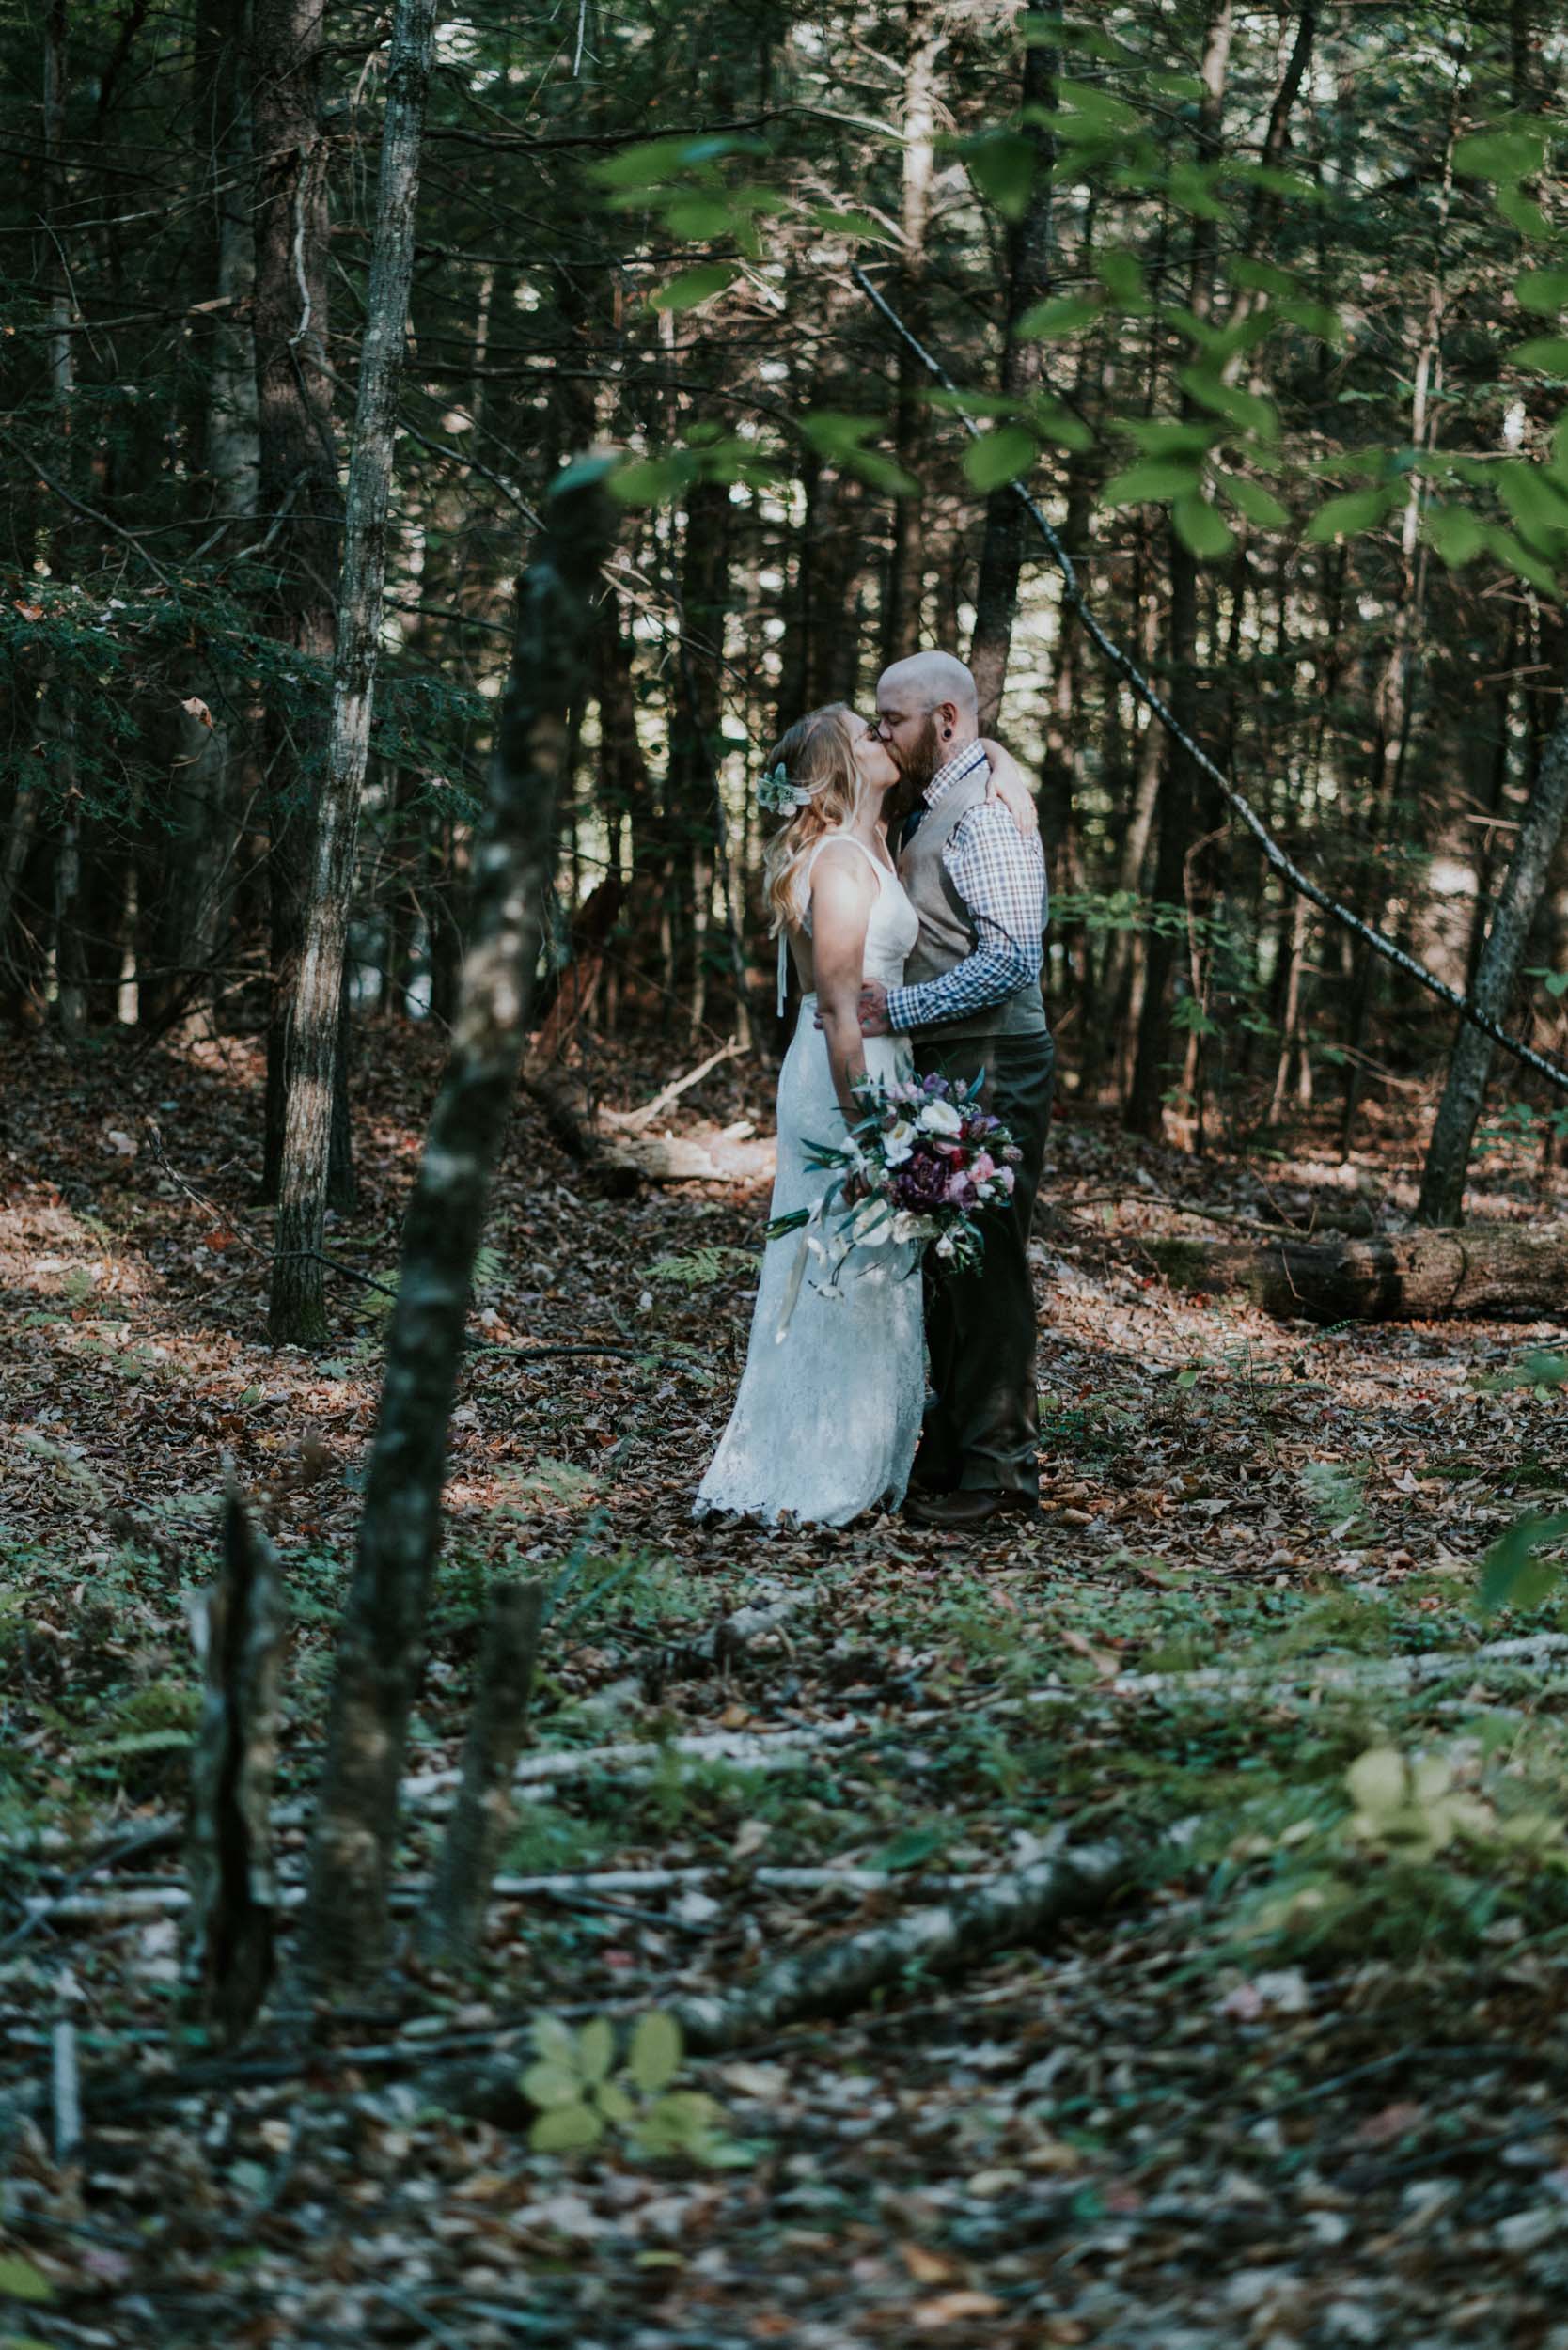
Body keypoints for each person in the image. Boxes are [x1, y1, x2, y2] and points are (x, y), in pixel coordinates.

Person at [693, 701, 1037, 1528]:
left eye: (885, 724)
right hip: (846, 1081)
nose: (883, 736)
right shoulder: (842, 860)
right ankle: (811, 1465)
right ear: (842, 766)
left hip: (891, 1069)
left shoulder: (882, 837)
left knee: (882, 1273)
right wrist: (874, 1135)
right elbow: (840, 1009)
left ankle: (874, 1454)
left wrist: (1000, 759)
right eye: (866, 731)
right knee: (834, 1264)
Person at [858, 650, 1054, 1532]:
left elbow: (1012, 958)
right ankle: (949, 1450)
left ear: (944, 719)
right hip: (949, 1065)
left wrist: (896, 1005)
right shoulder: (936, 802)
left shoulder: (987, 815)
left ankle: (1001, 1472)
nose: (878, 734)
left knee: (988, 1263)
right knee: (946, 1261)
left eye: (891, 719)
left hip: (996, 1063)